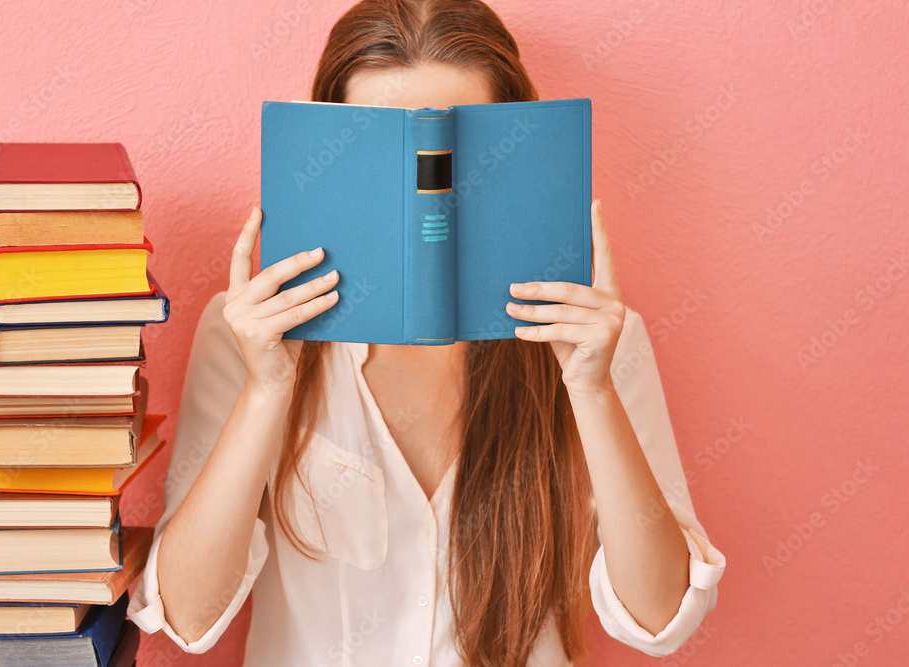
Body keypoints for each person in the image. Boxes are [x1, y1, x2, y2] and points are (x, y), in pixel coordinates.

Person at [127, 1, 726, 664]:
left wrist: (591, 389)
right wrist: (267, 388)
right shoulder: (248, 334)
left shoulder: (596, 341)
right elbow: (184, 614)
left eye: (455, 163)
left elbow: (661, 616)